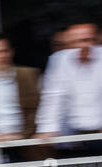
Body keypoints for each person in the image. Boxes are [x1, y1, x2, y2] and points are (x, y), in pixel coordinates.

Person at [37, 23, 102, 151]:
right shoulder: (59, 60)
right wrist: (47, 129)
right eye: (78, 41)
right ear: (68, 44)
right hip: (73, 134)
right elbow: (53, 97)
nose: (84, 45)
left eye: (88, 40)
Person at [0, 32, 42, 144]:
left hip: (28, 143)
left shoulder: (29, 75)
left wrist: (22, 135)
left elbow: (42, 110)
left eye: (2, 51)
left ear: (11, 52)